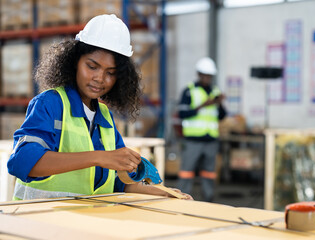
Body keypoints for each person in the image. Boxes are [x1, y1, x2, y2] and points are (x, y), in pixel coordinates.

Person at [7, 14, 192, 201]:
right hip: (39, 224)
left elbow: (120, 182)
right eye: (92, 66)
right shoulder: (50, 104)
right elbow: (22, 162)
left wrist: (165, 193)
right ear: (74, 62)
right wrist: (100, 157)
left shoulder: (105, 118)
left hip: (86, 224)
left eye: (110, 73)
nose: (100, 78)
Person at [177, 57, 226, 202]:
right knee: (186, 172)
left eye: (210, 76)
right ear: (198, 74)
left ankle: (208, 199)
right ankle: (181, 199)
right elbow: (182, 113)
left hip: (210, 140)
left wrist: (219, 104)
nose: (207, 78)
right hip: (193, 140)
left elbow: (222, 116)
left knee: (209, 173)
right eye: (205, 75)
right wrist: (204, 105)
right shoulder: (189, 91)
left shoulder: (215, 91)